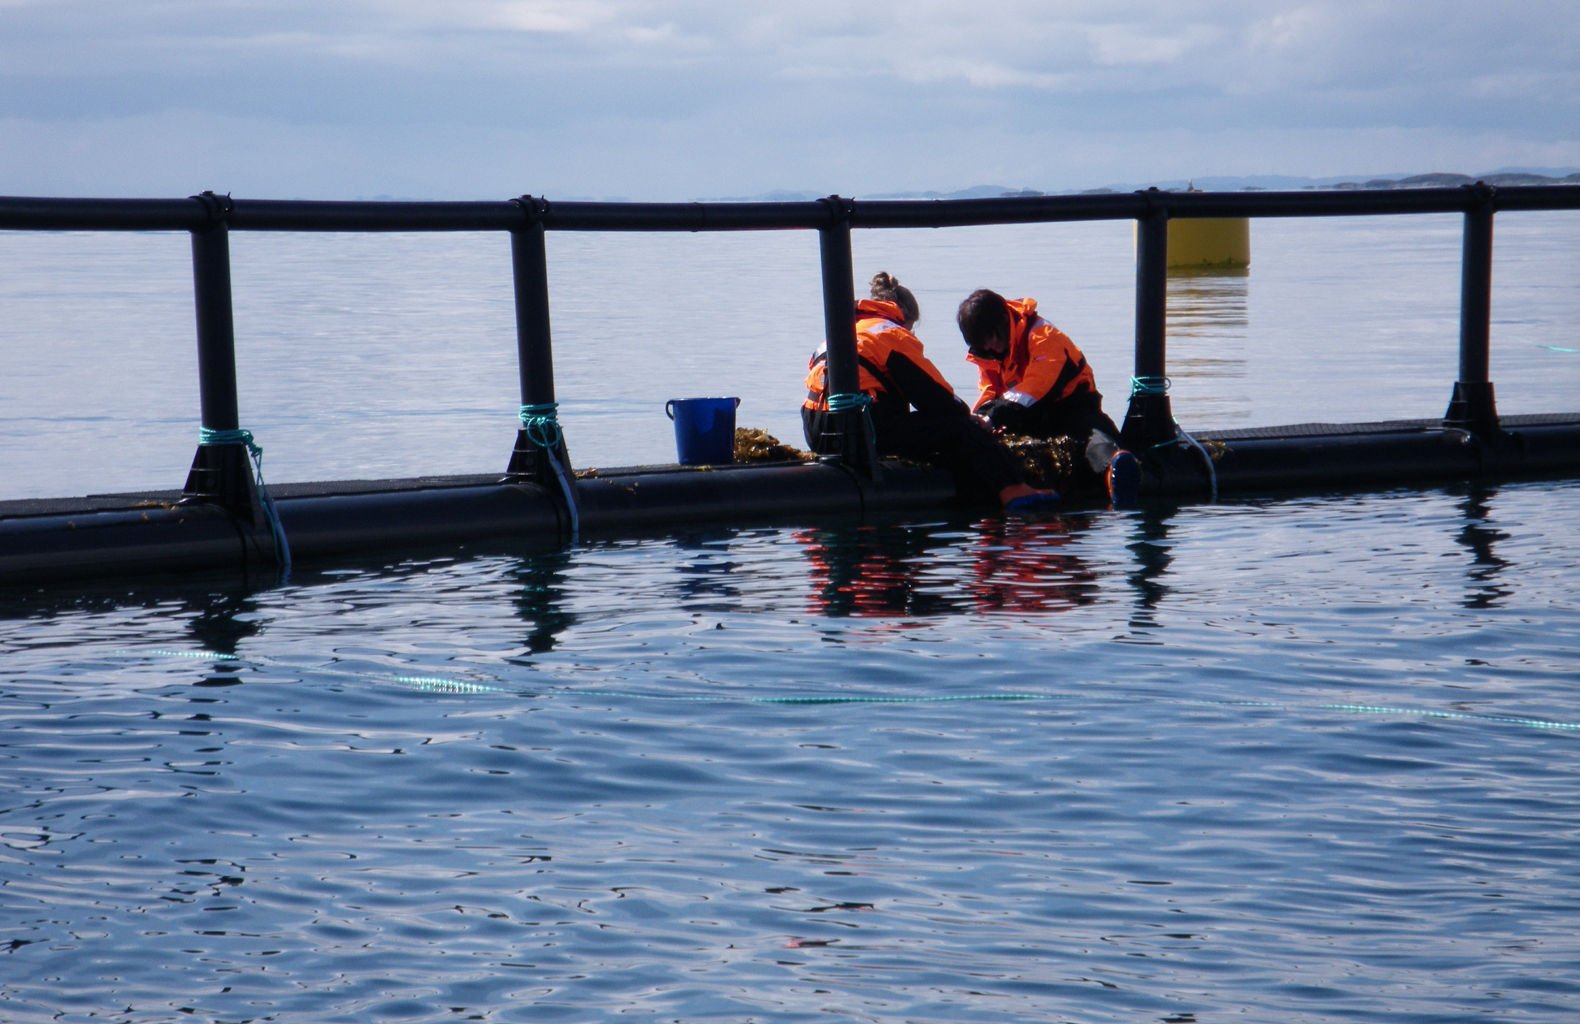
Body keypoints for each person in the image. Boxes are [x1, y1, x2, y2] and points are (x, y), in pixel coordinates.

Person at [803, 272, 1058, 512]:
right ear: (904, 317)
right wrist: (970, 419)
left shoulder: (846, 331)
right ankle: (1013, 489)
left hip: (817, 430)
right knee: (958, 427)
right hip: (861, 428)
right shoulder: (891, 334)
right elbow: (937, 400)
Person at [955, 288, 1141, 506]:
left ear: (1004, 321)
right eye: (981, 343)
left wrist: (993, 416)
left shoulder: (1044, 337)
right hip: (1025, 416)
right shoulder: (989, 353)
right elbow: (990, 392)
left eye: (992, 337)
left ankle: (1116, 468)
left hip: (1072, 407)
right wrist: (979, 418)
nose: (989, 346)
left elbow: (1035, 389)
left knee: (1092, 434)